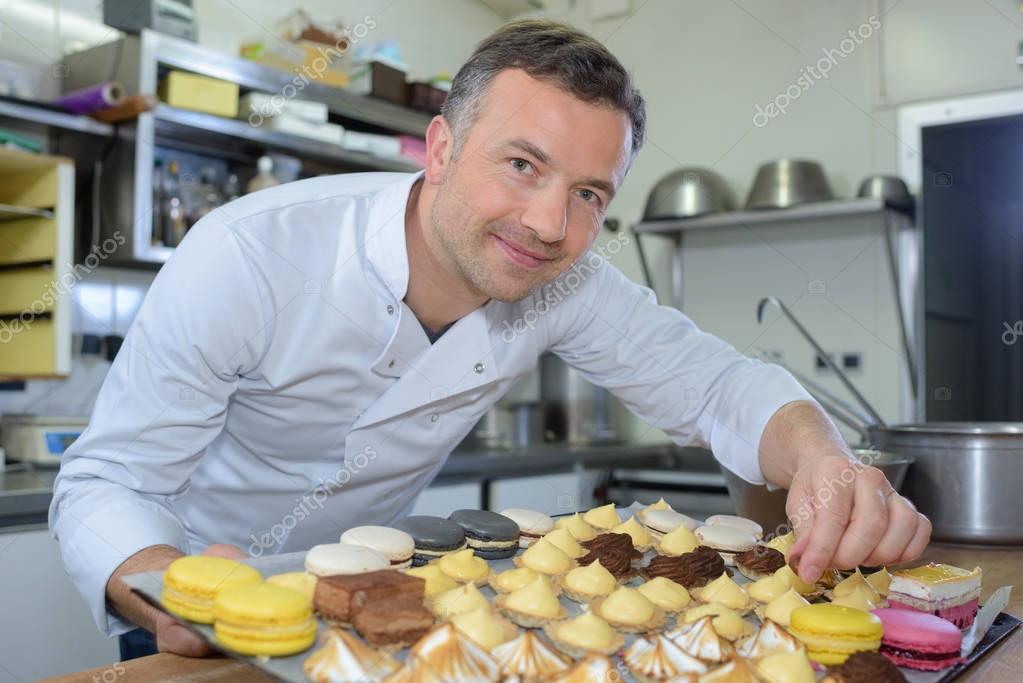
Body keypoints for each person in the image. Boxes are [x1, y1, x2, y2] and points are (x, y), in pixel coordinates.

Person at [50, 19, 930, 659]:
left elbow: (713, 384)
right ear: (438, 148)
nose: (549, 222)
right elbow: (105, 481)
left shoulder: (565, 282)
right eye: (522, 165)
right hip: (203, 619)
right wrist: (174, 585)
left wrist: (819, 457)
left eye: (589, 193)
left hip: (388, 617)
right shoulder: (249, 253)